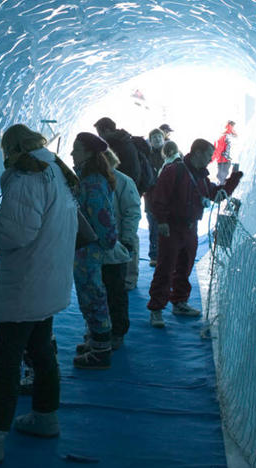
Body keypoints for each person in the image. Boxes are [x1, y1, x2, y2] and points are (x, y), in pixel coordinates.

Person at [0, 124, 78, 468]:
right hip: (50, 279)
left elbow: (17, 232)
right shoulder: (57, 171)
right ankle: (45, 416)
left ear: (12, 148)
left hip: (26, 283)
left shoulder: (25, 179)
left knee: (6, 361)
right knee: (41, 349)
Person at [147, 138, 243, 329]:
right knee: (165, 268)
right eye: (209, 154)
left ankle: (179, 302)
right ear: (198, 153)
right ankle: (156, 309)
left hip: (190, 228)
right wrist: (162, 221)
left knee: (185, 266)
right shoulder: (174, 171)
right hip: (172, 228)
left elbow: (216, 195)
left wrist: (234, 179)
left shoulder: (201, 177)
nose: (211, 159)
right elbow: (159, 197)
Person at [71, 132, 118, 369]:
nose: (71, 153)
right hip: (84, 247)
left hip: (90, 247)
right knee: (86, 292)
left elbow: (102, 216)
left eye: (76, 149)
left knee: (93, 294)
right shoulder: (86, 177)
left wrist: (107, 241)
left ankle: (101, 351)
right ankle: (95, 339)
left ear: (89, 152)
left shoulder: (92, 181)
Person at [103, 149, 141, 346]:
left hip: (116, 246)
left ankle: (117, 331)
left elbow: (132, 211)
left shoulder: (123, 181)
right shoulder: (92, 182)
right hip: (97, 247)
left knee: (115, 291)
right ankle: (99, 330)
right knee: (98, 291)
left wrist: (126, 240)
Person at [94, 117, 141, 189]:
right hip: (132, 185)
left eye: (99, 133)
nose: (99, 137)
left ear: (107, 131)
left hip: (126, 188)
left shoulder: (117, 146)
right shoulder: (125, 140)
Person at [144, 128, 165, 267]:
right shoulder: (146, 157)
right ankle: (154, 255)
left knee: (167, 227)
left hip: (167, 198)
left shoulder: (170, 154)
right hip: (151, 198)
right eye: (154, 137)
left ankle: (166, 254)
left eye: (159, 136)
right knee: (153, 227)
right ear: (150, 141)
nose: (157, 139)